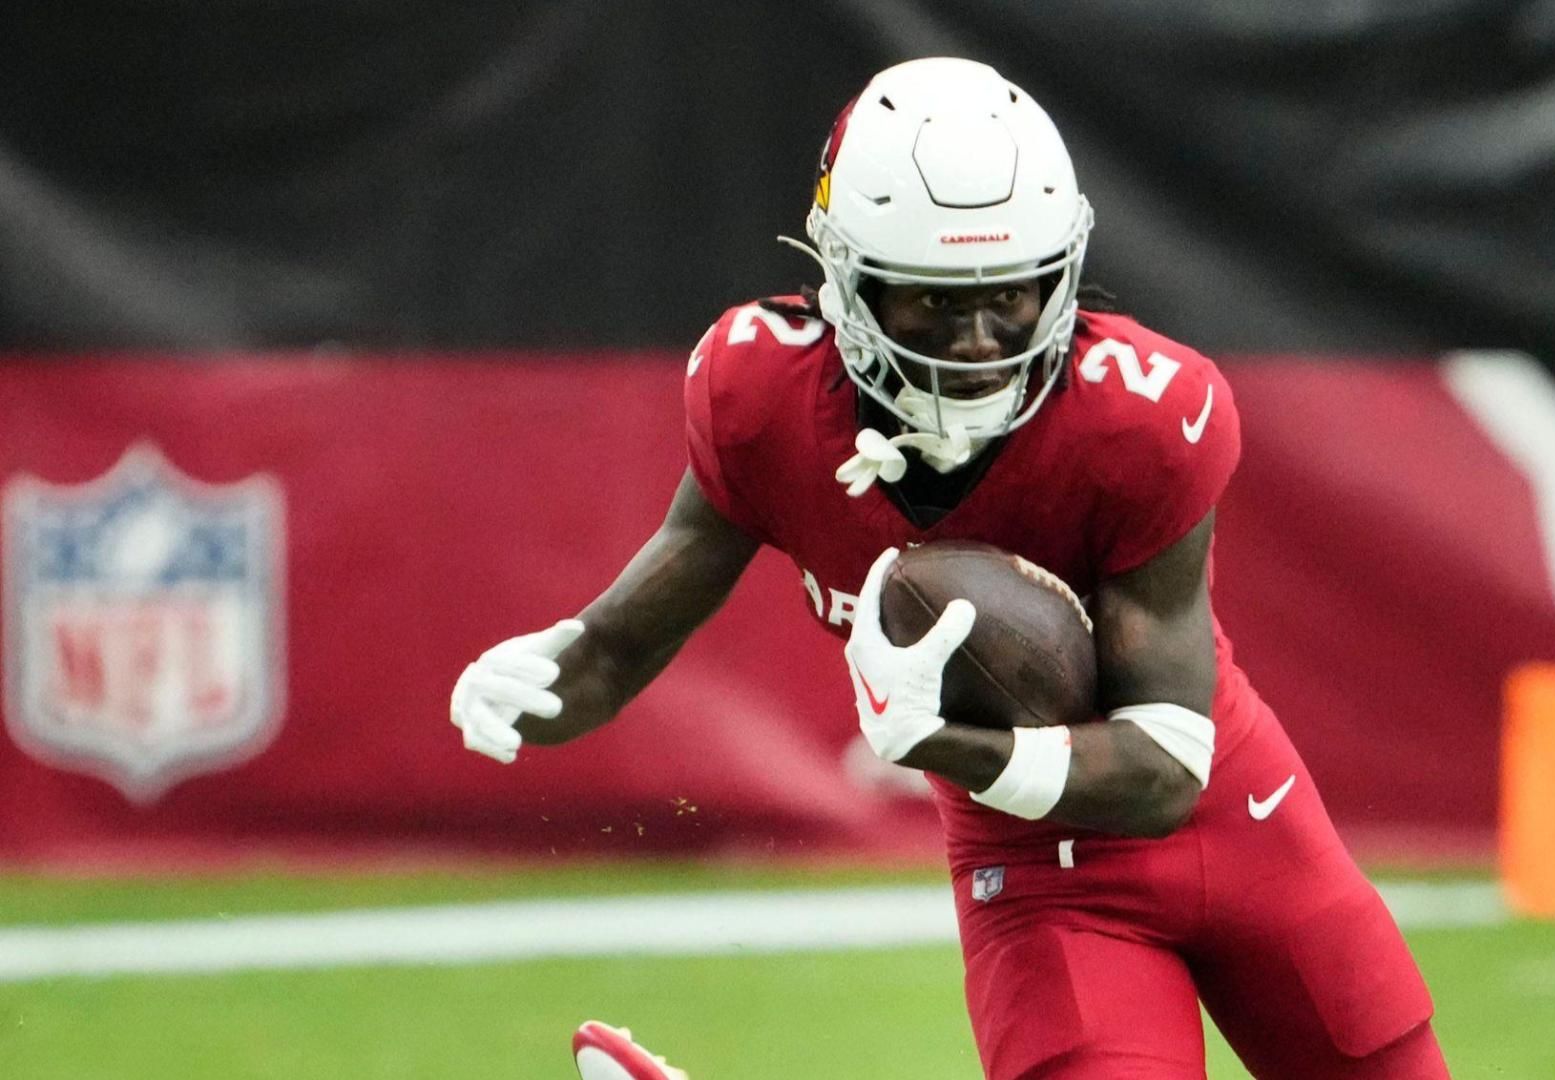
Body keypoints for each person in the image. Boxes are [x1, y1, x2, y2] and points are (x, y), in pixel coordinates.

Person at [451, 57, 1448, 1080]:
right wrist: (549, 674)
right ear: (845, 278)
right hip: (1041, 878)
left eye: (1011, 297)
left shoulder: (1141, 416)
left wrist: (943, 741)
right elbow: (618, 649)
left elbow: (1161, 773)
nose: (976, 342)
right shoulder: (764, 401)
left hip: (1240, 826)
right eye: (929, 303)